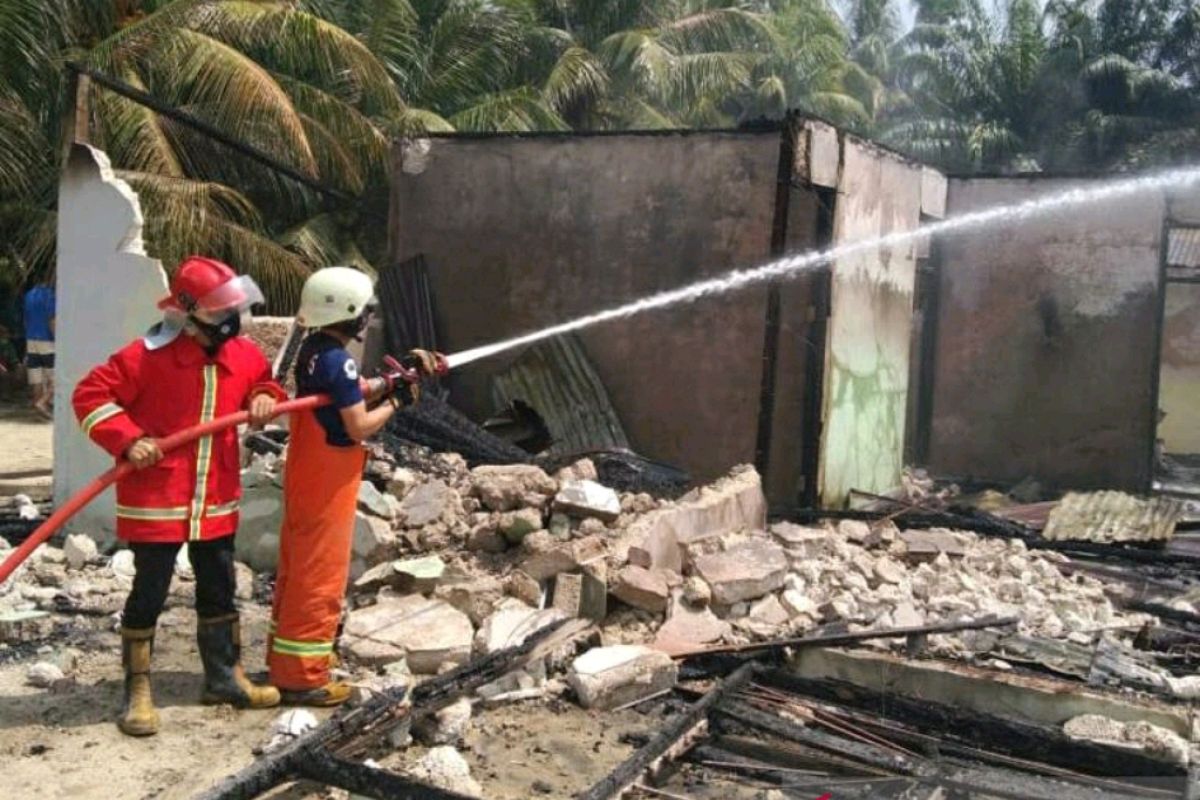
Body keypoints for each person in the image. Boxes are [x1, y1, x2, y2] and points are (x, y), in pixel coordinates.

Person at [72, 256, 287, 736]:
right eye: (218, 313)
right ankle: (138, 688)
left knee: (219, 585)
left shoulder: (245, 356)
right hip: (158, 498)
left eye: (233, 310)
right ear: (185, 314)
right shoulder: (143, 358)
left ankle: (223, 676)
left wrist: (265, 396)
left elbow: (265, 381)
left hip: (215, 499)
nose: (229, 322)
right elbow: (89, 397)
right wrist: (127, 438)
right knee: (150, 589)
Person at [267, 266, 443, 706]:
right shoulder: (338, 359)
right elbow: (360, 425)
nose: (367, 317)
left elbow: (349, 392)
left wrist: (394, 381)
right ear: (350, 312)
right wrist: (399, 402)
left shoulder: (314, 350)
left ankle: (285, 664)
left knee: (297, 567)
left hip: (309, 475)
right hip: (328, 481)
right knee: (319, 575)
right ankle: (306, 679)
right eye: (364, 310)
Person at [23, 278, 55, 418]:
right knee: (55, 377)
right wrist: (57, 339)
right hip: (47, 340)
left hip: (31, 339)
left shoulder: (29, 295)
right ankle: (43, 402)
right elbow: (51, 320)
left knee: (36, 376)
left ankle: (37, 405)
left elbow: (26, 319)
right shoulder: (50, 295)